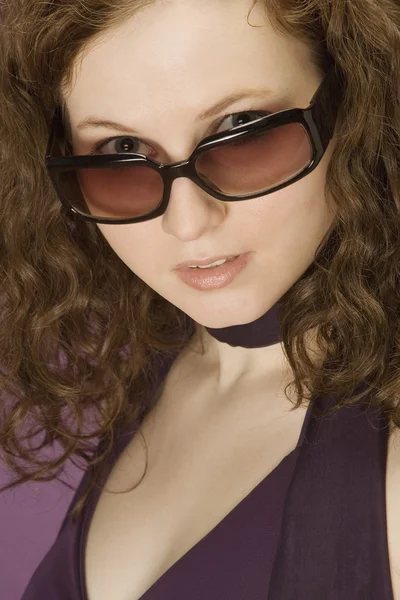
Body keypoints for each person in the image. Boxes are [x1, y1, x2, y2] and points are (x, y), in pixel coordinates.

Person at [0, 0, 399, 598]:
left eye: (242, 134)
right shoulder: (158, 362)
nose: (186, 224)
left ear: (360, 104)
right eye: (121, 153)